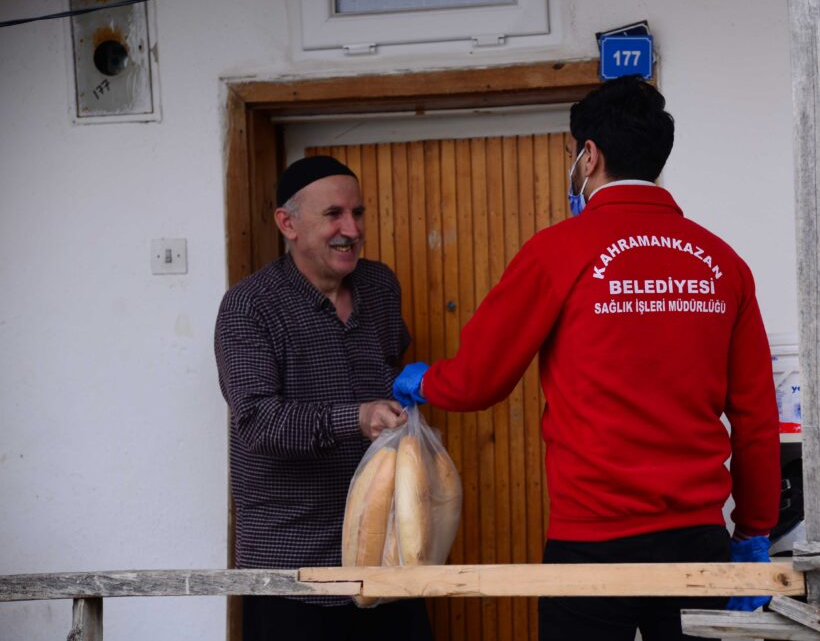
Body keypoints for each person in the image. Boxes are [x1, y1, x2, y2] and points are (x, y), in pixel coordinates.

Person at [393, 77, 781, 640]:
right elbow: (755, 418)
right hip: (698, 543)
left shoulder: (556, 252)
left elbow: (477, 382)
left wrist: (424, 381)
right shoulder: (723, 263)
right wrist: (754, 532)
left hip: (594, 543)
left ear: (589, 155)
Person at [215, 156, 433, 641]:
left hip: (386, 557)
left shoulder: (379, 286)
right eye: (333, 214)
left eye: (358, 213)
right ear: (286, 224)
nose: (351, 229)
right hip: (293, 570)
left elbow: (390, 370)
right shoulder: (248, 307)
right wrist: (355, 418)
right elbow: (256, 421)